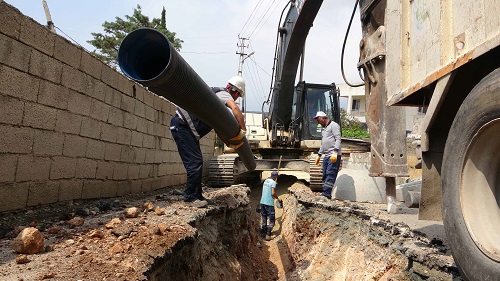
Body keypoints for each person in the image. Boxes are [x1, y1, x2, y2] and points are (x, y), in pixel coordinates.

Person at [170, 76, 247, 207]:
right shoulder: (222, 93)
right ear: (234, 90)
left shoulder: (214, 107)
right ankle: (190, 198)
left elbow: (218, 130)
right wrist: (243, 131)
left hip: (186, 129)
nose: (236, 98)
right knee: (195, 162)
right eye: (238, 95)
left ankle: (197, 195)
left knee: (197, 161)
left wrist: (229, 144)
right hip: (182, 126)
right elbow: (235, 109)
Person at [313, 111, 341, 199]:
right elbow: (323, 143)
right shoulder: (324, 129)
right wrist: (319, 154)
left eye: (318, 120)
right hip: (326, 155)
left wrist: (335, 151)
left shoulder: (334, 125)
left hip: (333, 155)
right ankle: (326, 192)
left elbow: (338, 139)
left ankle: (326, 194)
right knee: (324, 174)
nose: (317, 122)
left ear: (323, 118)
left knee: (330, 173)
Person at [260, 170, 281, 240]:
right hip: (269, 203)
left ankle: (263, 232)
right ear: (276, 177)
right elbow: (273, 193)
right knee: (272, 220)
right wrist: (278, 198)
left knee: (264, 218)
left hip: (262, 202)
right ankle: (268, 235)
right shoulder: (273, 182)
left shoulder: (266, 180)